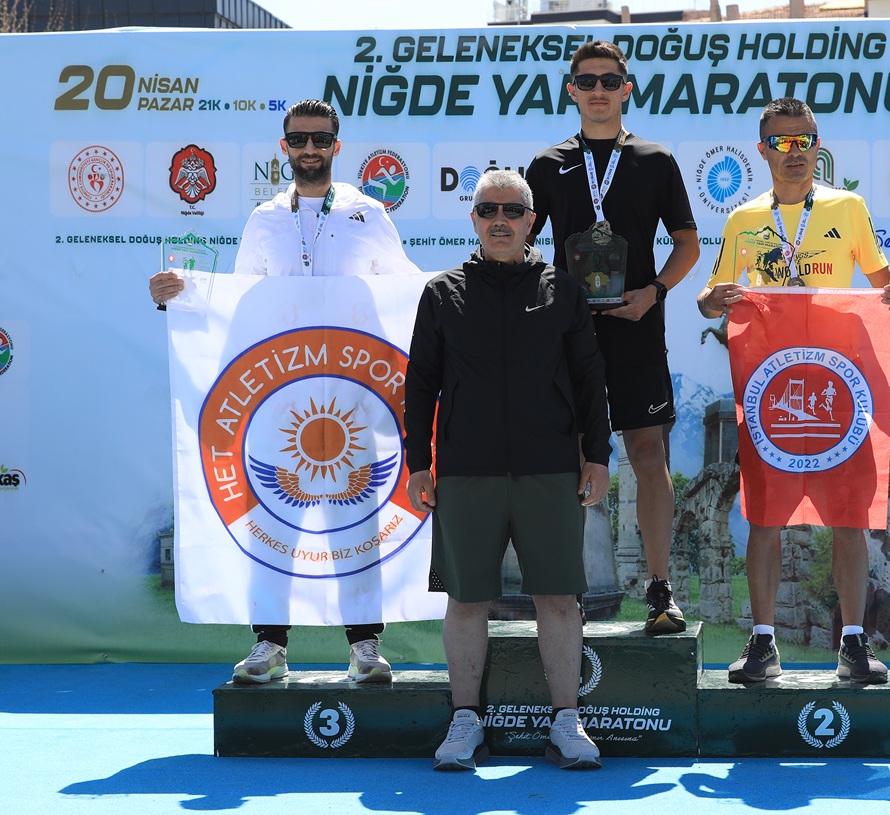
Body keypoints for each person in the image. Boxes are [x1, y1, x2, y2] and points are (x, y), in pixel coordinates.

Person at [148, 98, 418, 686]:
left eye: (320, 139)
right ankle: (270, 644)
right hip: (280, 397)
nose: (309, 149)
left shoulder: (369, 214)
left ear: (337, 146)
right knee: (273, 525)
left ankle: (365, 646)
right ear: (284, 147)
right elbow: (242, 303)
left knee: (358, 526)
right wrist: (182, 296)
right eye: (299, 139)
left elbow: (408, 294)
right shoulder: (264, 219)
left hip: (352, 399)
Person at [696, 97, 890, 686]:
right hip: (772, 384)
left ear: (818, 146)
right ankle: (763, 642)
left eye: (804, 141)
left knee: (849, 515)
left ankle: (853, 643)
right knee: (765, 515)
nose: (794, 152)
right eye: (782, 142)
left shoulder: (848, 207)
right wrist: (711, 300)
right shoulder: (744, 219)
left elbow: (883, 277)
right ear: (763, 150)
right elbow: (712, 295)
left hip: (837, 380)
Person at [404, 169, 611, 771]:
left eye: (513, 211)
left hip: (550, 469)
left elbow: (590, 378)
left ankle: (566, 723)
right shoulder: (442, 292)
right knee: (466, 601)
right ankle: (465, 722)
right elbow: (420, 383)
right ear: (473, 219)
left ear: (531, 222)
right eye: (489, 210)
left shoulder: (563, 290)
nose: (501, 220)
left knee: (560, 600)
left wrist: (597, 455)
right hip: (466, 471)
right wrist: (420, 463)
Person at [524, 40, 700, 636]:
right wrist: (547, 298)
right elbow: (522, 244)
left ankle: (659, 588)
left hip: (636, 326)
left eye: (609, 80)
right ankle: (566, 590)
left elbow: (687, 243)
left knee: (648, 455)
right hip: (568, 334)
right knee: (574, 458)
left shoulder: (654, 159)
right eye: (587, 81)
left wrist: (656, 292)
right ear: (570, 89)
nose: (597, 90)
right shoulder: (547, 164)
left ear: (627, 87)